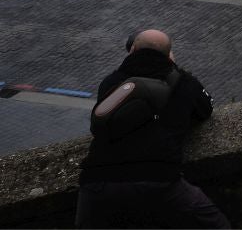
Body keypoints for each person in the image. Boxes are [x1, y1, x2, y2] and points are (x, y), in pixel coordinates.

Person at [76, 29, 229, 229]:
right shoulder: (184, 83)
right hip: (158, 179)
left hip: (97, 182)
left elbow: (100, 125)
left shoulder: (111, 82)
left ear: (132, 50)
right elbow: (205, 108)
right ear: (169, 54)